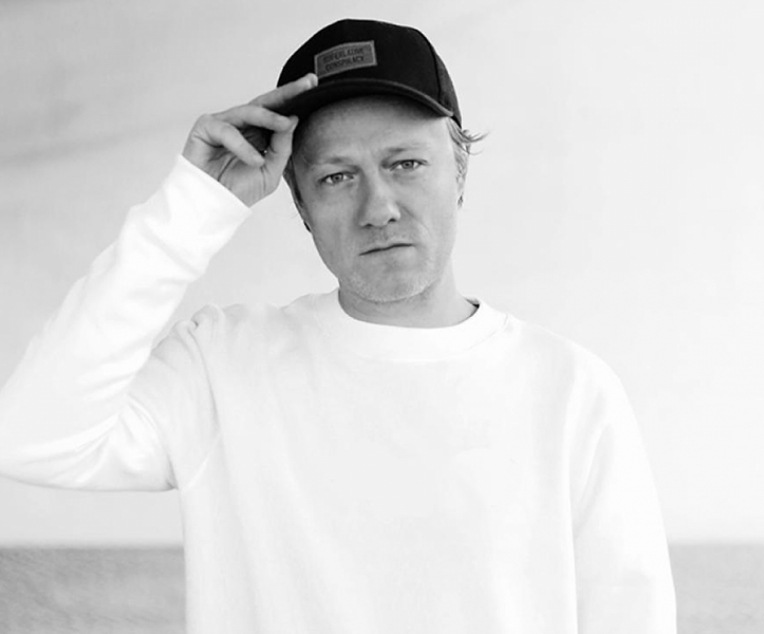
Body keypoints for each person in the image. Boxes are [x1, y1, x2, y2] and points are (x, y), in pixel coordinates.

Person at [0, 18, 676, 634]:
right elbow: (31, 439)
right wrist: (190, 208)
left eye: (406, 164)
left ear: (459, 170)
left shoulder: (571, 391)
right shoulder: (222, 368)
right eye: (336, 177)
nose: (378, 207)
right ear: (298, 204)